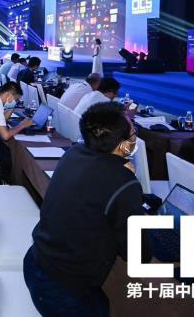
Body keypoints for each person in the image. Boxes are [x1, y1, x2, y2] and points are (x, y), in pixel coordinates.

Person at [25, 102, 150, 316]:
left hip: (37, 261)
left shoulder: (74, 153)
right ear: (122, 144)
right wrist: (127, 183)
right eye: (133, 133)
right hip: (60, 286)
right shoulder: (123, 182)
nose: (135, 138)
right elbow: (138, 253)